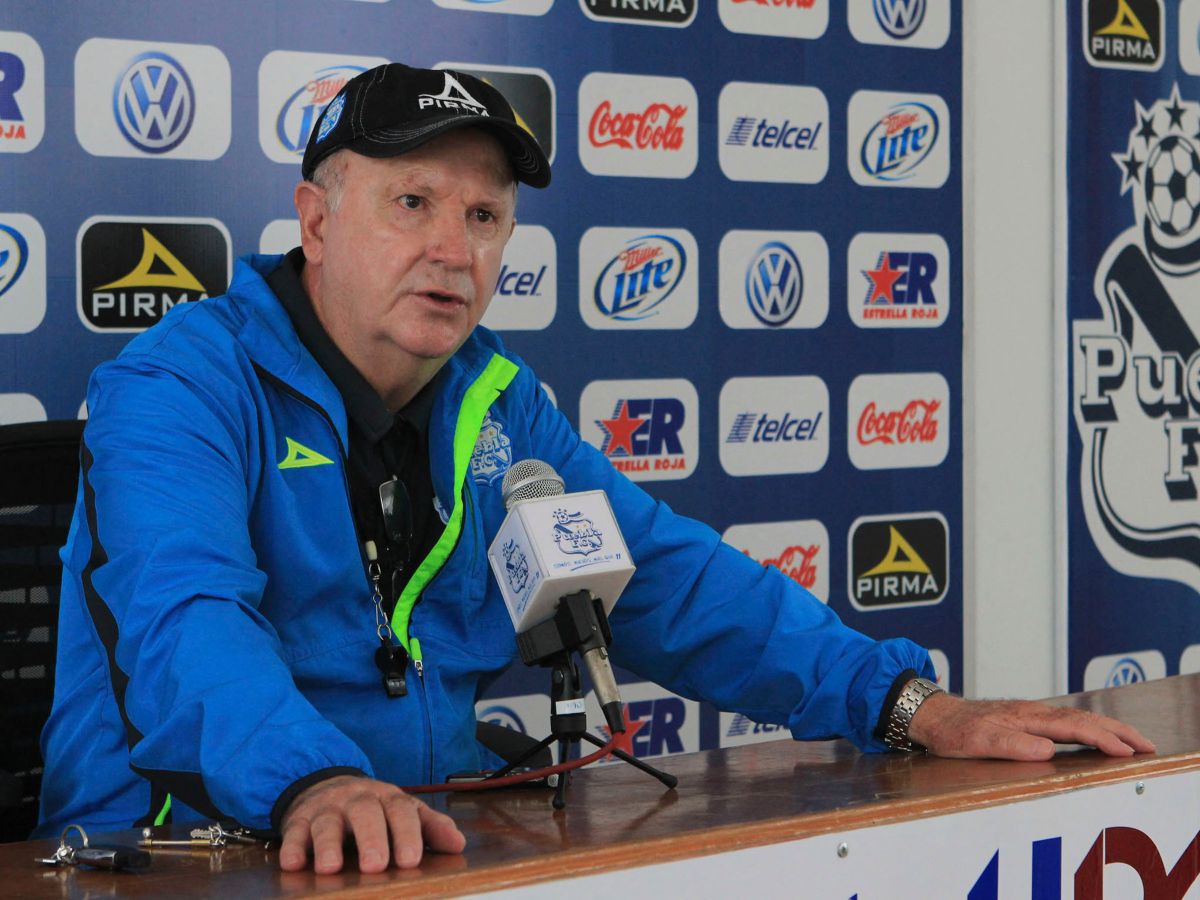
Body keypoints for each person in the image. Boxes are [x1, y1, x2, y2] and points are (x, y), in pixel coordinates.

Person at [36, 62, 1154, 874]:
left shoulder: (497, 400)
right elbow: (186, 620)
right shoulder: (179, 387)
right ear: (317, 221)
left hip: (421, 843)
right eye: (411, 203)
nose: (451, 248)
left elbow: (667, 580)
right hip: (185, 849)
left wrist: (908, 703)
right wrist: (311, 780)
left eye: (484, 216)